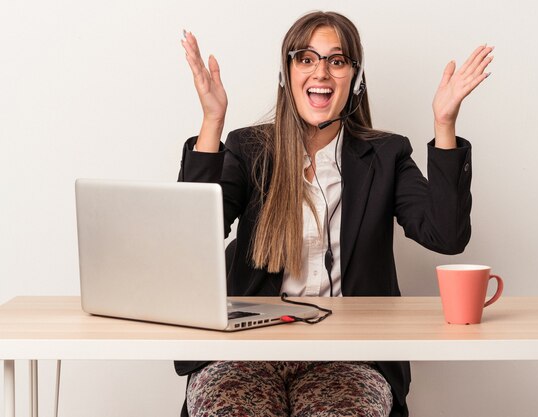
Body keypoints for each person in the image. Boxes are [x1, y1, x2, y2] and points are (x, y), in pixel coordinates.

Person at [175, 10, 493, 417]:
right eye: (305, 59)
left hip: (349, 355)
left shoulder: (386, 154)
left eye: (337, 60)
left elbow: (446, 236)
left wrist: (444, 124)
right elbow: (191, 240)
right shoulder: (250, 147)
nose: (320, 72)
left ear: (355, 79)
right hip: (246, 351)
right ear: (286, 73)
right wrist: (212, 121)